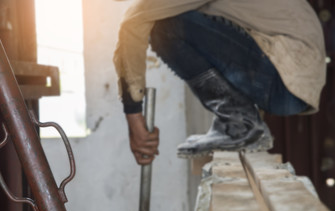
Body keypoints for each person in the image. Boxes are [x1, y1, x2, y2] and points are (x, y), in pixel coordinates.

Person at [113, 0, 326, 164]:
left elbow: (132, 23)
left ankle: (239, 122)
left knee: (162, 26)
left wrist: (134, 119)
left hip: (284, 72)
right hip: (291, 75)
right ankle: (238, 121)